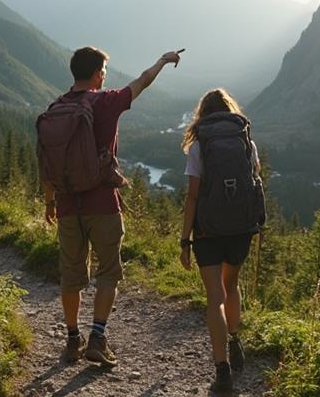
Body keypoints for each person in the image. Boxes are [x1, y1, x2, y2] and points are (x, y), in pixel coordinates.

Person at [42, 46, 183, 366]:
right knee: (108, 272)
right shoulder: (105, 102)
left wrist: (49, 202)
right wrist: (163, 59)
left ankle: (72, 339)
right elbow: (143, 82)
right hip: (103, 201)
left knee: (71, 275)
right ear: (95, 74)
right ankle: (97, 337)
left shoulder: (56, 108)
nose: (105, 76)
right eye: (103, 71)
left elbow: (47, 161)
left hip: (66, 205)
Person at [179, 88, 263, 392]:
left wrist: (185, 239)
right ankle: (235, 339)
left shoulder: (199, 145)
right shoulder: (245, 141)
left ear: (203, 113)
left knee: (214, 298)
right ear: (229, 110)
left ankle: (222, 369)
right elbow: (255, 180)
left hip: (207, 231)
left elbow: (192, 196)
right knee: (232, 286)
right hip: (240, 227)